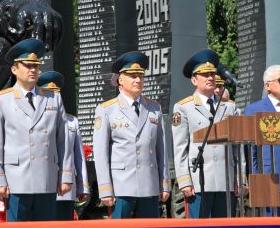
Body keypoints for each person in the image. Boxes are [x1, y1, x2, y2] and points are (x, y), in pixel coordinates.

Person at [0, 38, 73, 221]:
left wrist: (65, 176)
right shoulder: (0, 99)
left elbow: (63, 140)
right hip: (16, 180)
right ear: (14, 69)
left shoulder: (53, 98)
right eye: (27, 65)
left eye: (35, 65)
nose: (33, 70)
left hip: (47, 177)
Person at [92, 51, 171, 218]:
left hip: (149, 185)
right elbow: (101, 153)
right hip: (121, 187)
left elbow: (161, 150)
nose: (138, 80)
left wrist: (164, 184)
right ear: (120, 80)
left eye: (140, 76)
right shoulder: (107, 110)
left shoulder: (154, 108)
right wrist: (105, 189)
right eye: (132, 76)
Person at [172, 49, 244, 218]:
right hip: (198, 181)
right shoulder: (183, 108)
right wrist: (184, 180)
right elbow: (180, 147)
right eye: (205, 74)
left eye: (212, 73)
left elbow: (237, 148)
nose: (211, 77)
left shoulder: (230, 107)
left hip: (226, 180)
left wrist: (241, 178)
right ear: (194, 80)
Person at [37, 71, 90, 220]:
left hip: (66, 189)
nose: (53, 97)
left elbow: (78, 156)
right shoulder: (34, 121)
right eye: (49, 93)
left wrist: (83, 186)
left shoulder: (71, 122)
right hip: (41, 186)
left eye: (56, 93)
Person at [244, 64, 280, 216]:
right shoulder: (254, 109)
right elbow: (251, 151)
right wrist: (255, 177)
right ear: (268, 85)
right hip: (269, 178)